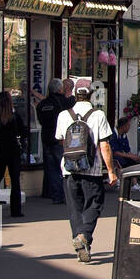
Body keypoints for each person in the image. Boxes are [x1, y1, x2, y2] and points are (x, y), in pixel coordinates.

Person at [55, 78, 118, 262]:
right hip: (92, 169)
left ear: (75, 94)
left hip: (69, 169)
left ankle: (81, 242)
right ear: (91, 94)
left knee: (75, 209)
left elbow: (61, 141)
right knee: (95, 204)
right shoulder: (98, 115)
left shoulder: (63, 115)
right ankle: (84, 236)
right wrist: (111, 171)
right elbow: (105, 145)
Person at [0, 90, 25, 217]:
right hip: (13, 151)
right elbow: (22, 132)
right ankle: (16, 210)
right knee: (15, 181)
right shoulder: (14, 118)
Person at [35, 78, 68, 205]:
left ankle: (56, 196)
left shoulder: (43, 104)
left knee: (52, 168)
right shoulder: (63, 102)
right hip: (59, 139)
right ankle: (64, 195)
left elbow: (40, 120)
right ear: (60, 89)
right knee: (63, 167)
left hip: (46, 138)